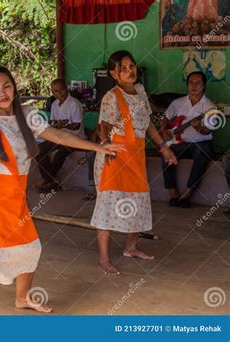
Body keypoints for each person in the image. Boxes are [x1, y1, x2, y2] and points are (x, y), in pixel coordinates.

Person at [0, 65, 124, 315]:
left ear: (14, 87)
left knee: (30, 247)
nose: (2, 93)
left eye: (6, 86)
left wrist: (97, 148)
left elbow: (58, 136)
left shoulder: (27, 115)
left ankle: (22, 298)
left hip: (15, 195)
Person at [91, 50, 178, 276]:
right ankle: (104, 259)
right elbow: (104, 125)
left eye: (132, 66)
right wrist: (105, 142)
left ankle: (131, 248)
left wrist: (163, 146)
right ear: (114, 74)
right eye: (123, 68)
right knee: (108, 206)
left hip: (135, 155)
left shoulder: (140, 91)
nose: (130, 71)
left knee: (138, 201)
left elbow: (148, 124)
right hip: (115, 154)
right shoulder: (111, 96)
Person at [160, 71, 215, 208]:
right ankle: (173, 194)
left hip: (200, 143)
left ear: (204, 86)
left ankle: (187, 195)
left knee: (204, 152)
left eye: (198, 83)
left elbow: (209, 130)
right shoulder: (178, 103)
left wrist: (200, 129)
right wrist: (163, 129)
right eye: (191, 82)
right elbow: (165, 117)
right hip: (180, 143)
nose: (194, 86)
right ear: (187, 85)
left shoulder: (210, 107)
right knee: (166, 152)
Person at [34, 78, 87, 193]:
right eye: (56, 91)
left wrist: (64, 125)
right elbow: (53, 123)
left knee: (60, 154)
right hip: (59, 137)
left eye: (62, 89)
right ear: (53, 93)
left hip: (75, 139)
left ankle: (46, 179)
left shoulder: (74, 103)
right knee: (38, 150)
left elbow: (77, 126)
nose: (60, 93)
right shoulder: (54, 105)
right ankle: (51, 180)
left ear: (66, 88)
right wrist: (56, 125)